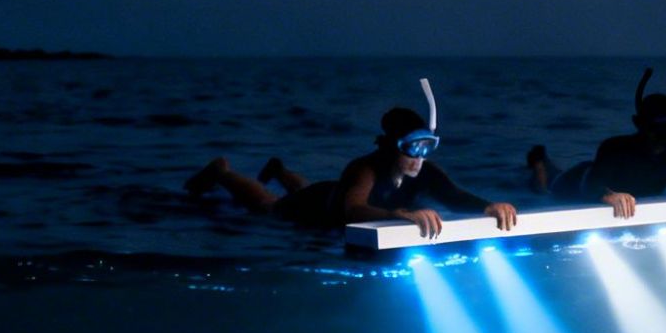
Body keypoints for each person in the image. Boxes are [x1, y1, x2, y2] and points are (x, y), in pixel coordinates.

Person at [186, 84, 516, 237]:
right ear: (392, 147)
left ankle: (279, 170)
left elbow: (454, 196)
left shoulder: (424, 171)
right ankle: (222, 172)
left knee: (303, 188)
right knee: (267, 205)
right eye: (411, 149)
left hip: (329, 191)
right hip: (319, 205)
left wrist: (488, 207)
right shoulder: (365, 169)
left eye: (427, 148)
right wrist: (398, 215)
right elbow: (352, 209)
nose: (419, 158)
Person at [527, 69, 666, 218]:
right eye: (656, 129)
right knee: (546, 186)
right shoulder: (615, 148)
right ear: (640, 125)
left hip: (602, 178)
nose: (663, 136)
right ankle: (539, 162)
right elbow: (590, 186)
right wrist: (609, 195)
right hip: (576, 181)